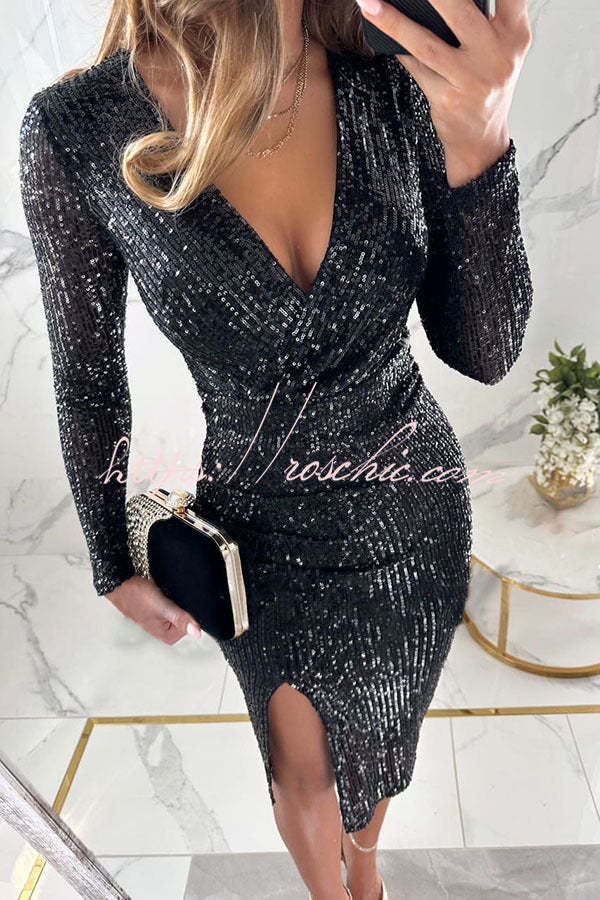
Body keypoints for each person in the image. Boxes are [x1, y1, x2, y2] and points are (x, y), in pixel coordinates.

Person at [18, 0, 533, 897]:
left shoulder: (391, 76)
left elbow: (484, 353)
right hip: (262, 539)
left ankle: (366, 872)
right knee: (301, 768)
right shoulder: (79, 126)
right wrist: (109, 557)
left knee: (385, 735)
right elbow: (88, 375)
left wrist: (480, 145)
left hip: (416, 514)